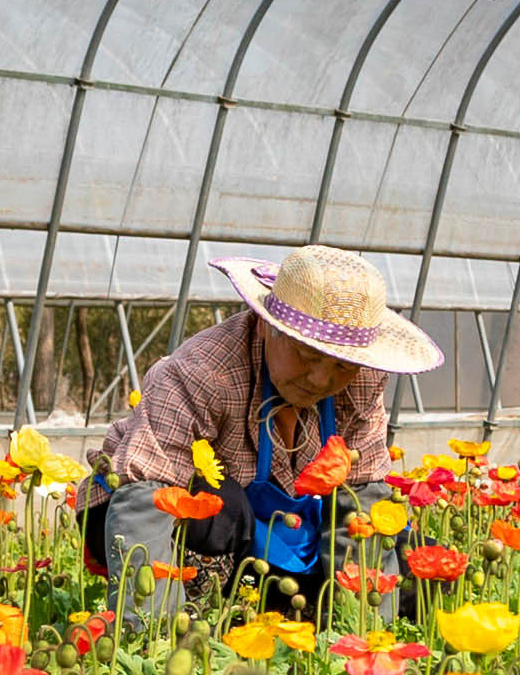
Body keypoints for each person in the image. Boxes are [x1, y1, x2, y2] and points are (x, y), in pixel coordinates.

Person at [94, 243, 441, 617]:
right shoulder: (203, 372)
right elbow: (144, 502)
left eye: (342, 366)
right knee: (221, 507)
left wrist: (364, 633)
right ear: (265, 324)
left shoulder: (365, 377)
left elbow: (360, 498)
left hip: (278, 534)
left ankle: (289, 616)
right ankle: (196, 618)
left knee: (420, 559)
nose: (321, 379)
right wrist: (153, 636)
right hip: (160, 518)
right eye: (307, 355)